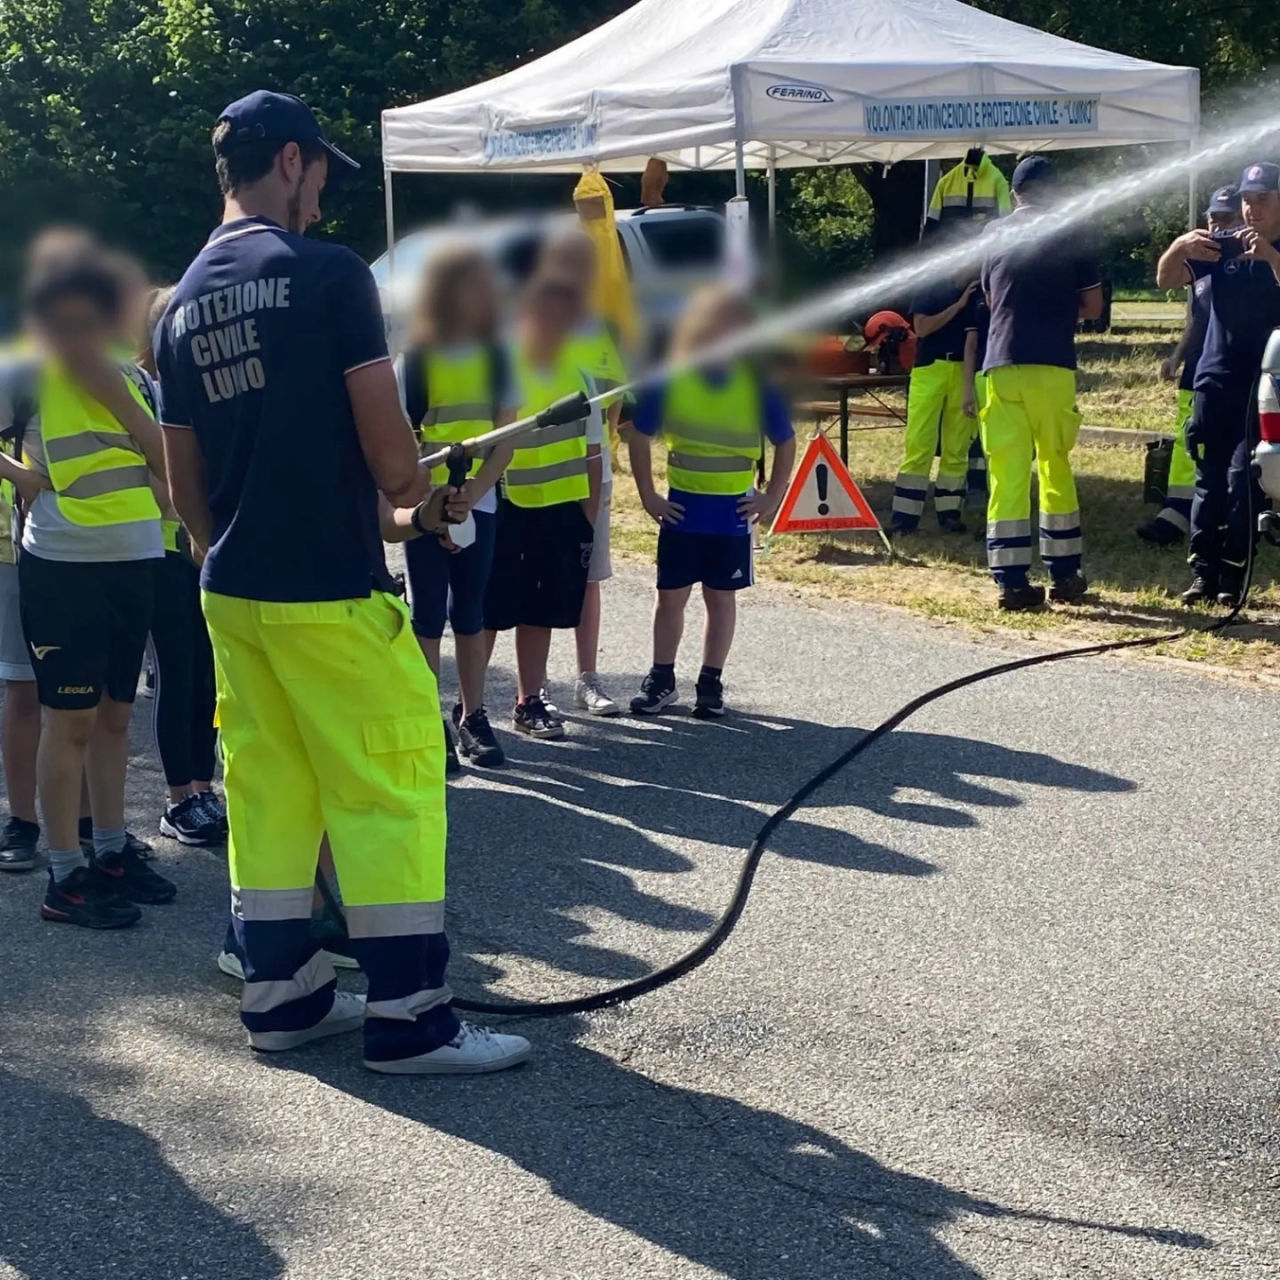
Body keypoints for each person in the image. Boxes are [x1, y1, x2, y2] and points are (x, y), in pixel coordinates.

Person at [154, 89, 528, 1072]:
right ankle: (410, 1016)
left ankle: (282, 999)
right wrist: (424, 481)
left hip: (232, 593)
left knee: (274, 792)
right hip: (328, 590)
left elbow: (185, 485)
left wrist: (394, 512)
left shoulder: (179, 305)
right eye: (321, 173)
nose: (323, 196)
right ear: (289, 161)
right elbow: (392, 463)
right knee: (391, 781)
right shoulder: (326, 277)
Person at [3, 241, 175, 925]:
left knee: (112, 717)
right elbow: (159, 448)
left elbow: (165, 462)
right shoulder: (34, 367)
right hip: (66, 563)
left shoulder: (124, 373)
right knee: (68, 722)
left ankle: (108, 850)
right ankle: (65, 874)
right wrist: (24, 478)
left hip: (132, 557)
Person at [627, 286, 796, 718]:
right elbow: (638, 434)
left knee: (721, 599)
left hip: (732, 514)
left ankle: (710, 681)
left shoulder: (756, 382)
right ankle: (662, 679)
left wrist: (773, 495)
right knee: (671, 597)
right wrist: (648, 494)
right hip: (683, 510)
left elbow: (786, 440)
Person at [396, 246, 515, 770]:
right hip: (426, 504)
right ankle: (429, 720)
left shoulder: (497, 357)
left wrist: (472, 496)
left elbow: (507, 438)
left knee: (470, 614)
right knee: (427, 616)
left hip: (478, 502)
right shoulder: (415, 359)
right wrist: (434, 504)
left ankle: (473, 715)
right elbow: (400, 440)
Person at [979, 155, 1102, 611]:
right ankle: (1064, 574)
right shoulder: (1073, 228)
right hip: (1051, 364)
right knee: (1054, 464)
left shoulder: (992, 235)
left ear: (1015, 195)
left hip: (999, 363)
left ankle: (1011, 581)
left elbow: (992, 298)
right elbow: (1091, 305)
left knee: (1006, 472)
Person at [483, 272, 603, 741]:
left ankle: (528, 700)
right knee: (491, 612)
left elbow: (594, 454)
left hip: (561, 513)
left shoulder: (580, 375)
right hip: (509, 508)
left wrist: (587, 520)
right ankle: (467, 706)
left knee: (541, 611)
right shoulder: (505, 367)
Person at [1156, 162, 1280, 607]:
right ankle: (1202, 574)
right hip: (1214, 378)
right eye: (1247, 200)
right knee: (1208, 479)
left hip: (1261, 387)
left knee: (1242, 480)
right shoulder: (1223, 246)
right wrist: (1179, 246)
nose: (1252, 209)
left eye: (1262, 199)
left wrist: (1269, 255)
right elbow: (1166, 279)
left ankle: (1232, 578)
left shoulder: (1274, 249)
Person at [136, 285, 223, 844]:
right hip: (166, 550)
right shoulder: (146, 391)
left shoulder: (205, 395)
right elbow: (159, 480)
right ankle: (177, 798)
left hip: (208, 548)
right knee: (180, 670)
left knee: (211, 675)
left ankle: (203, 787)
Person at [538, 230, 629, 716]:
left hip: (593, 471)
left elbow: (614, 397)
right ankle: (536, 686)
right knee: (539, 582)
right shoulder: (529, 323)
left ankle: (587, 678)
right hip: (542, 472)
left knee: (586, 575)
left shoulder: (599, 327)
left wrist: (605, 453)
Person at [1139, 187, 1243, 547]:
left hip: (1236, 371)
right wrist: (1176, 356)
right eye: (1213, 220)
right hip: (1198, 370)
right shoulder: (1201, 259)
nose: (1218, 228)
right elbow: (1192, 313)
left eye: (1227, 220)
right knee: (1189, 442)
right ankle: (1176, 514)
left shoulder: (1253, 258)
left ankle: (1219, 518)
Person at [889, 251, 980, 535]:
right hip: (931, 368)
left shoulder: (979, 288)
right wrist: (959, 304)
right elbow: (923, 328)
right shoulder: (931, 284)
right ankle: (904, 518)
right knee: (920, 443)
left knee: (958, 445)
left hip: (963, 369)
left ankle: (950, 514)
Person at [0, 341, 45, 872]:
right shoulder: (19, 367)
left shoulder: (101, 362)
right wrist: (23, 477)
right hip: (14, 549)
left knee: (85, 698)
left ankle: (92, 827)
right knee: (24, 688)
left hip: (82, 551)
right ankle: (23, 821)